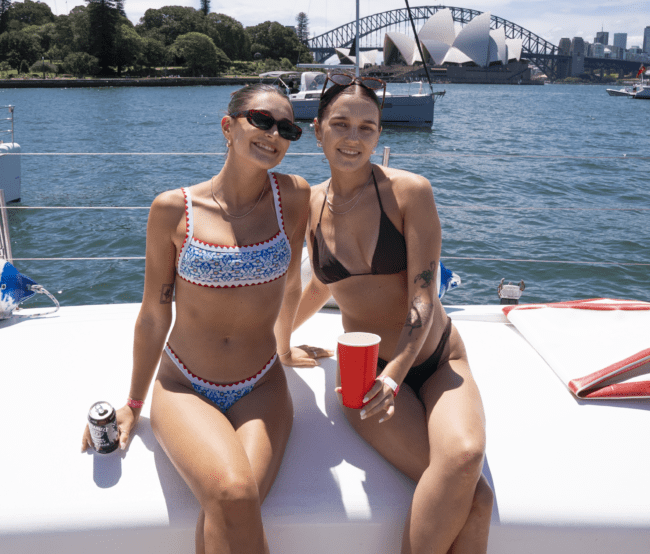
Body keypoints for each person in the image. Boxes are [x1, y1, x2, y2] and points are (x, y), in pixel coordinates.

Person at [82, 83, 331, 554]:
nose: (273, 134)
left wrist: (284, 346)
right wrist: (133, 405)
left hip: (262, 383)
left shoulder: (294, 197)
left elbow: (293, 284)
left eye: (287, 128)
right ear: (228, 126)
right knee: (234, 495)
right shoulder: (173, 209)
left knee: (232, 502)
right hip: (184, 385)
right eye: (261, 120)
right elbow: (154, 314)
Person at [294, 73, 493, 554]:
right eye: (341, 124)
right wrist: (280, 341)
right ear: (318, 128)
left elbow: (423, 296)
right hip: (367, 371)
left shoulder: (410, 192)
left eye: (368, 127)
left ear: (379, 134)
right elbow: (322, 281)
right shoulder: (308, 204)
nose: (354, 137)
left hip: (435, 359)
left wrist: (399, 371)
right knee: (479, 500)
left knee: (465, 457)